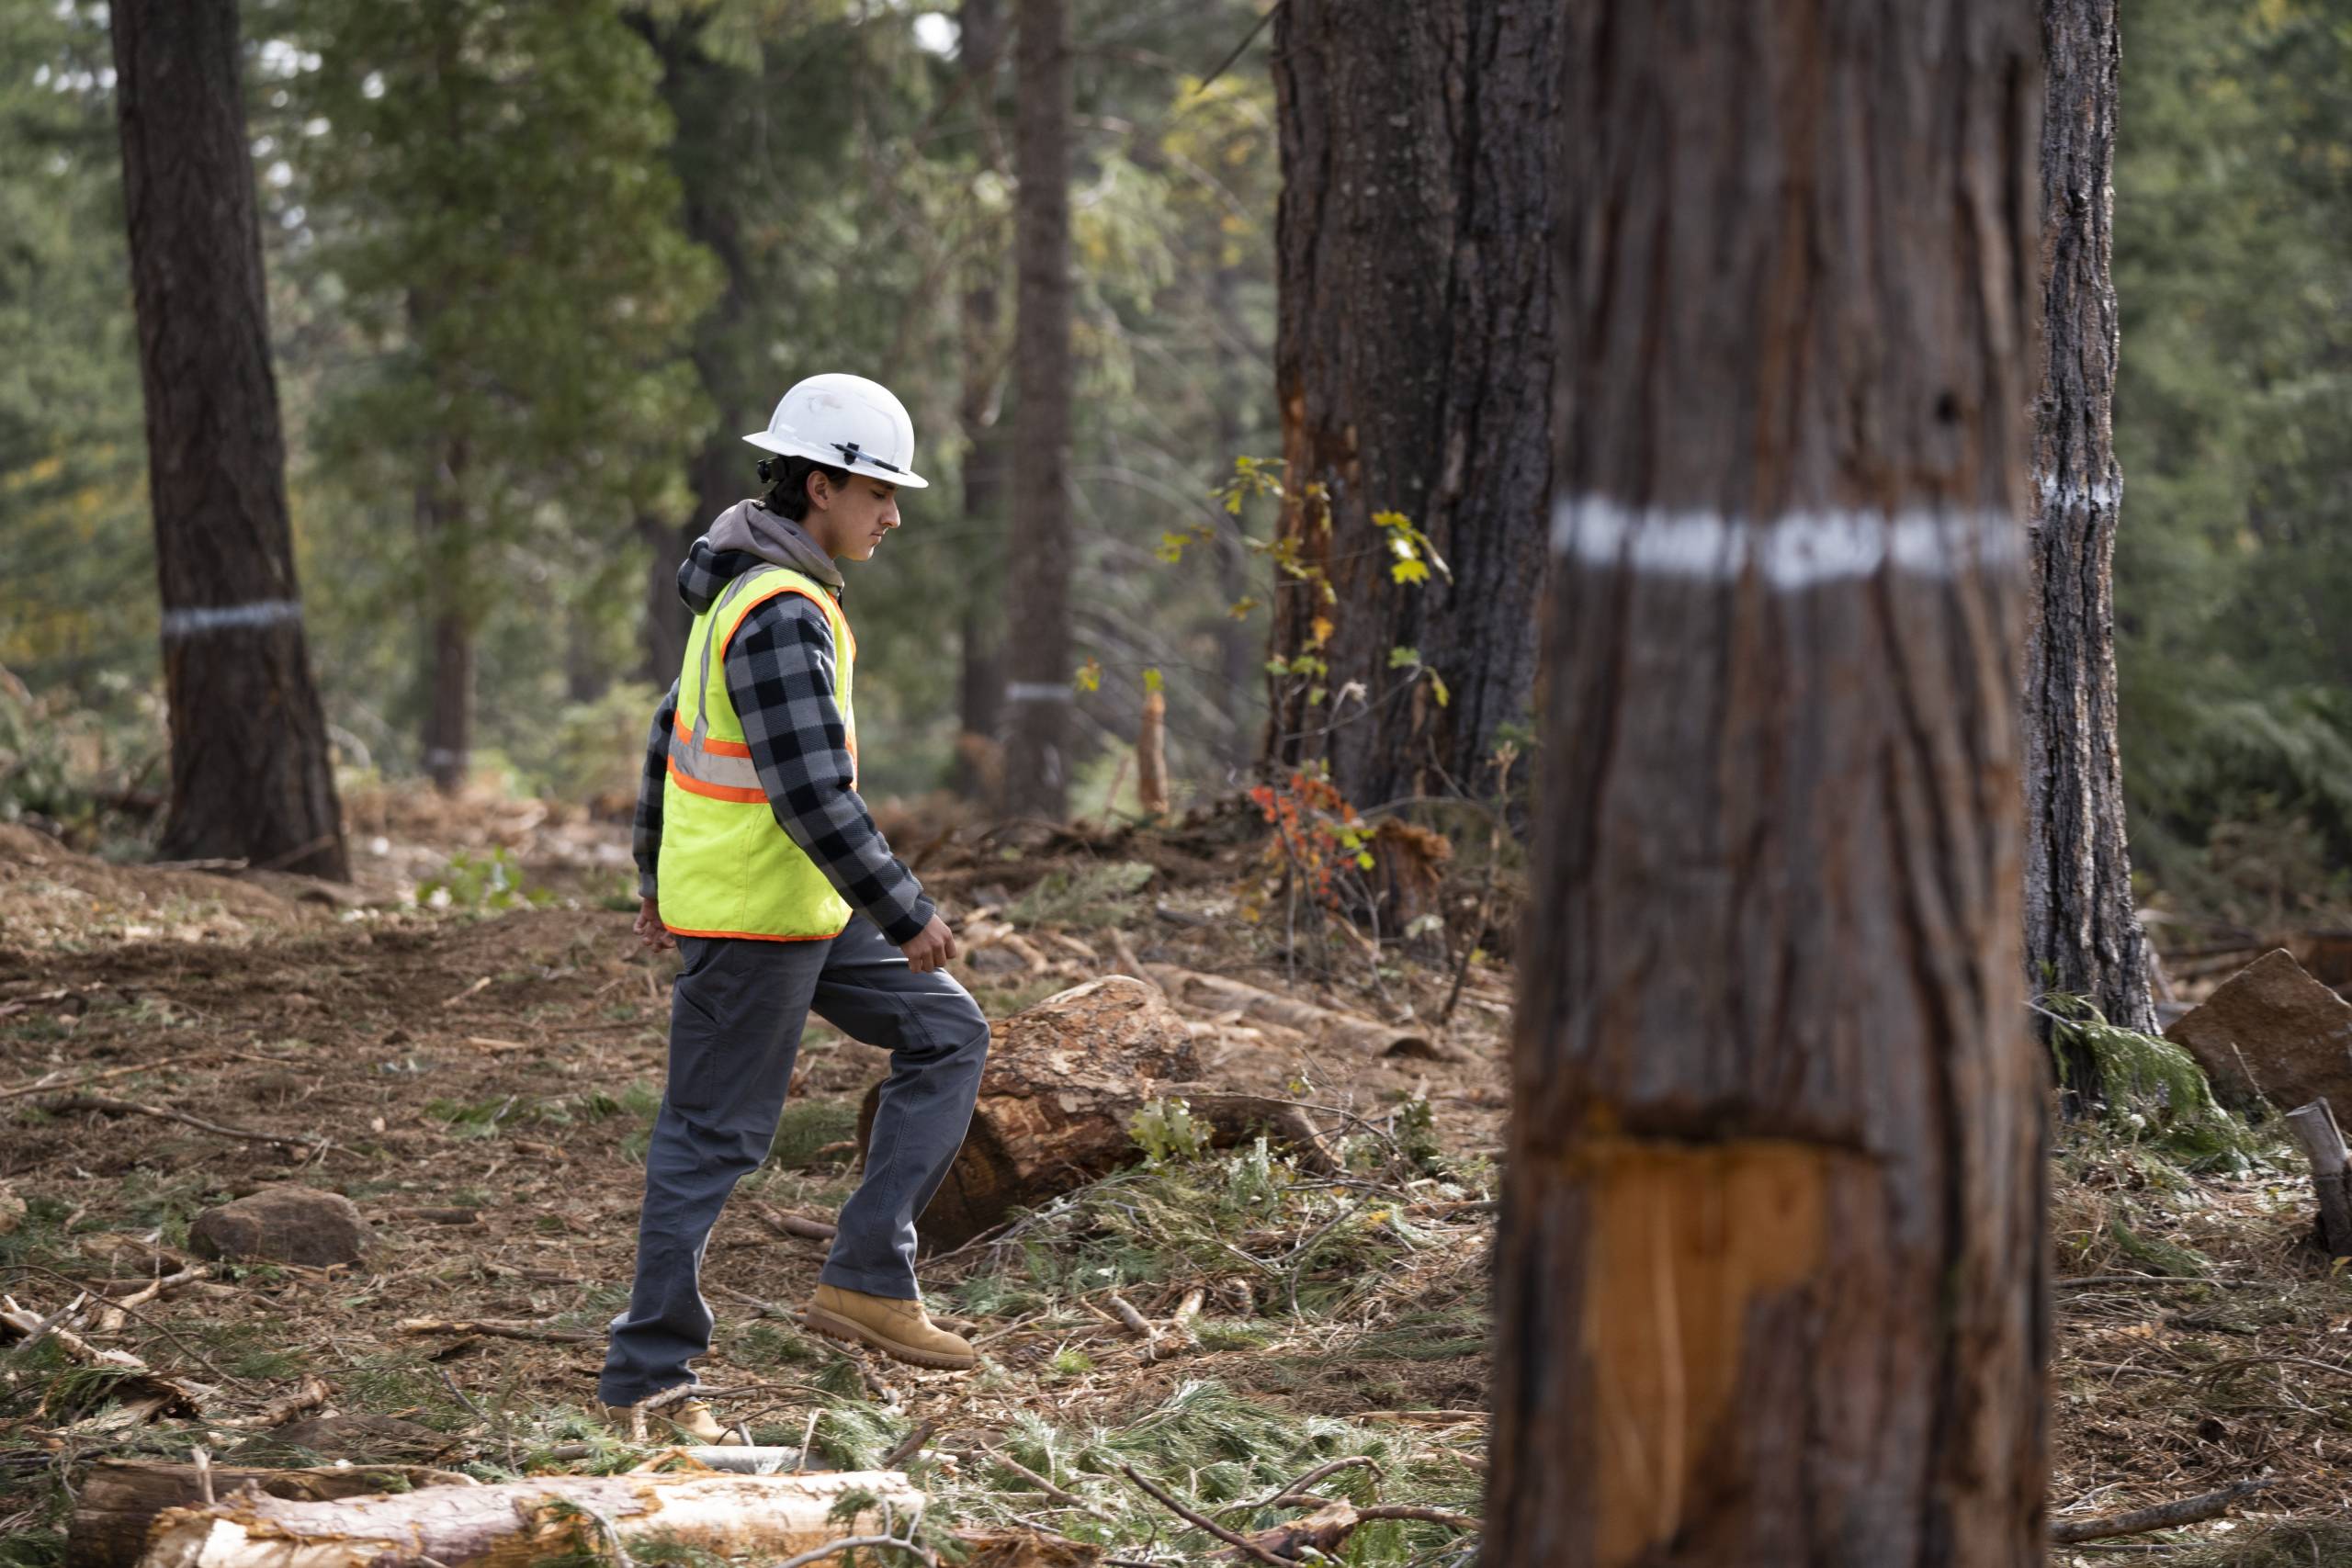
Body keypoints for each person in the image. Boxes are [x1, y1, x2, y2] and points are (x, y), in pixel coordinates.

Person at [598, 373, 988, 1443]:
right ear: (821, 486)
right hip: (757, 919)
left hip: (804, 909)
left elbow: (664, 735)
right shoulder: (775, 611)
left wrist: (648, 873)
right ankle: (650, 1377)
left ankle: (867, 1278)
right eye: (877, 493)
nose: (892, 515)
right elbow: (810, 790)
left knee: (948, 1033)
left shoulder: (765, 590)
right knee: (710, 1139)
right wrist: (906, 909)